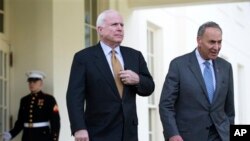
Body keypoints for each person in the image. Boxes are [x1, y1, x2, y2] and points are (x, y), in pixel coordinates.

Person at [66, 9, 155, 141]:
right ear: (100, 29)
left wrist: (137, 79)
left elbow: (149, 87)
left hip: (128, 133)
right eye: (114, 25)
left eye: (122, 25)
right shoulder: (83, 58)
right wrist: (79, 127)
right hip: (97, 132)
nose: (120, 28)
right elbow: (74, 96)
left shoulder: (134, 56)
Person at [159, 21, 235, 141]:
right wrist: (172, 134)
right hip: (188, 136)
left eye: (219, 42)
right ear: (199, 40)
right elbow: (166, 105)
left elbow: (229, 110)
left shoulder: (226, 67)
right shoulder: (179, 65)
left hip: (220, 136)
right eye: (212, 42)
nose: (216, 47)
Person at [2, 70, 60, 141]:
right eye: (30, 82)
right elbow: (20, 122)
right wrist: (11, 134)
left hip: (43, 137)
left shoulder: (49, 99)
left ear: (41, 83)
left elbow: (55, 122)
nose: (31, 84)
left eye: (34, 82)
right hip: (27, 136)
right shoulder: (24, 100)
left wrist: (54, 139)